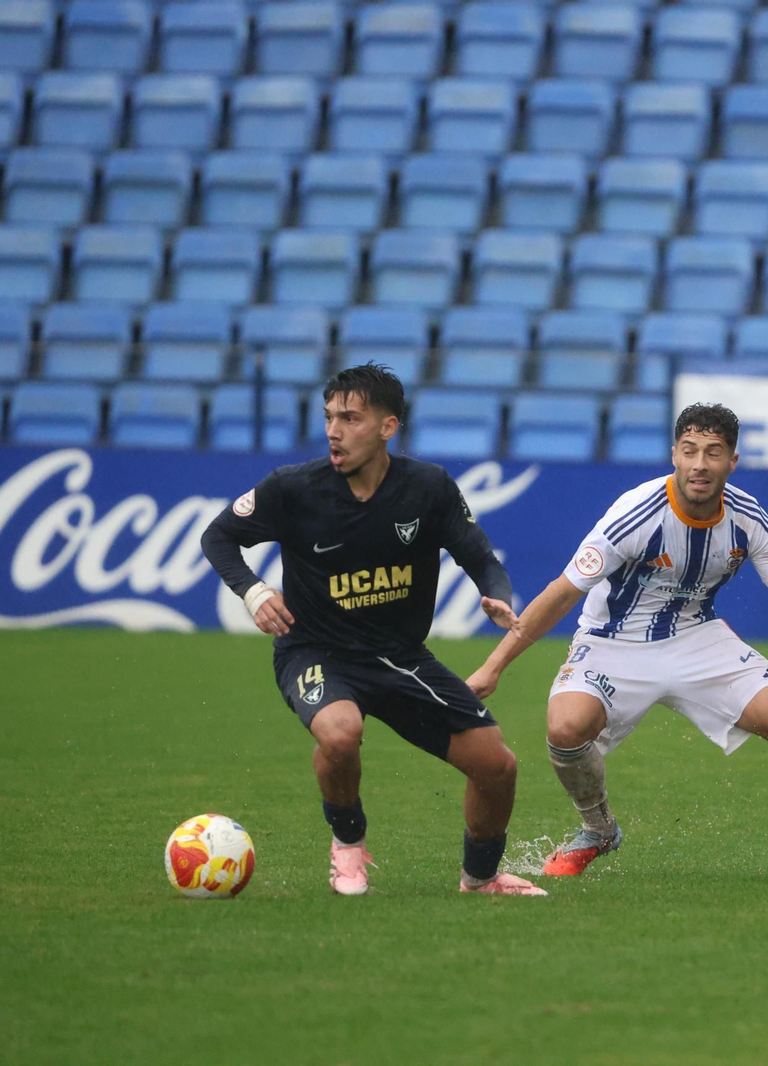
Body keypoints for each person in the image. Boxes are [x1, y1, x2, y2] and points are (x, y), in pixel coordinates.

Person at [465, 403, 768, 882]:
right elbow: (561, 594)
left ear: (732, 461)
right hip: (612, 640)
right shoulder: (634, 515)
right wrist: (493, 667)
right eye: (690, 451)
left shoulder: (749, 517)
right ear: (674, 454)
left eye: (714, 453)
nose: (700, 464)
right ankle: (597, 830)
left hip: (696, 634)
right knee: (566, 728)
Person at [201, 364, 546, 896]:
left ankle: (480, 878)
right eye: (329, 417)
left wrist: (495, 590)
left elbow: (477, 552)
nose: (334, 430)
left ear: (388, 427)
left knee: (497, 766)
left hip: (399, 656)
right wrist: (255, 591)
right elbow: (218, 536)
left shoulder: (427, 487)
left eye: (350, 418)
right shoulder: (292, 489)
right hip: (316, 651)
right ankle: (348, 844)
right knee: (340, 733)